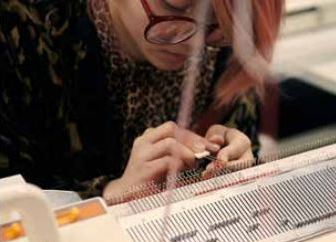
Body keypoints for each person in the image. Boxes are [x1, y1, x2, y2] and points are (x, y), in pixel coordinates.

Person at [0, 0, 283, 200]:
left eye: (214, 23)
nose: (193, 43)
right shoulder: (22, 27)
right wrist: (109, 195)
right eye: (175, 6)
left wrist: (233, 166)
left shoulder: (229, 40)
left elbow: (245, 147)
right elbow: (11, 205)